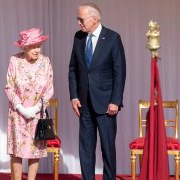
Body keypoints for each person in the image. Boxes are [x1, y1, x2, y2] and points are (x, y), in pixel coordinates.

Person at [68, 3, 126, 180]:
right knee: (85, 148)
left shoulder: (112, 38)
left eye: (81, 19)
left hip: (106, 104)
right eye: (77, 19)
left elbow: (120, 72)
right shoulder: (78, 37)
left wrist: (115, 101)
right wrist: (74, 96)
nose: (78, 22)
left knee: (107, 148)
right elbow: (72, 69)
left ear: (95, 19)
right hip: (84, 103)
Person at [5, 28, 54, 180]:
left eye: (39, 46)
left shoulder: (46, 62)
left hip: (37, 114)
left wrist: (37, 107)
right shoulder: (15, 61)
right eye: (33, 46)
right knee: (17, 151)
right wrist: (21, 107)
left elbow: (49, 88)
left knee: (35, 151)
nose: (37, 50)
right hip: (18, 114)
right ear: (24, 47)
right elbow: (9, 87)